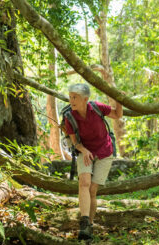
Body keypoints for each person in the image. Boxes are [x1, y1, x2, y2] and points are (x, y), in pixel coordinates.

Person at [64, 83, 123, 240]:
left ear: (85, 99)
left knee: (92, 190)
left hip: (105, 152)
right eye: (70, 97)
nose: (72, 100)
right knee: (84, 182)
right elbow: (75, 142)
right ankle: (84, 223)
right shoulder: (69, 116)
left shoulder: (96, 107)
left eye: (75, 97)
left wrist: (119, 99)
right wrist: (84, 150)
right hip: (85, 152)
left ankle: (89, 225)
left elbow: (117, 114)